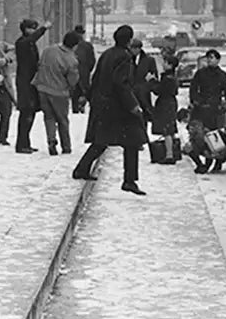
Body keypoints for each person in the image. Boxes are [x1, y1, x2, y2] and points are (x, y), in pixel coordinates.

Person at [70, 23, 148, 194]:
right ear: (128, 40)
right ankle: (129, 180)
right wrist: (133, 105)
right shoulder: (124, 57)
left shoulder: (107, 54)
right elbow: (121, 84)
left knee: (101, 140)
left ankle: (82, 169)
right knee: (132, 140)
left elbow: (96, 77)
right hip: (117, 106)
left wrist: (89, 96)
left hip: (103, 104)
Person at [34, 30, 82, 154]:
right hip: (59, 92)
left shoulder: (48, 50)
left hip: (42, 89)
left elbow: (39, 65)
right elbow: (73, 80)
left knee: (49, 117)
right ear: (75, 45)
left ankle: (51, 140)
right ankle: (66, 146)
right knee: (62, 120)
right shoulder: (71, 60)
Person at [187, 48, 226, 173]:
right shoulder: (201, 73)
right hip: (200, 109)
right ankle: (203, 162)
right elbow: (193, 88)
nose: (209, 60)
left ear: (218, 60)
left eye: (212, 58)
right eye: (208, 57)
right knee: (198, 137)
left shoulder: (222, 75)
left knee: (215, 137)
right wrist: (195, 101)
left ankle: (217, 161)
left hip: (215, 110)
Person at [13, 16, 50, 152]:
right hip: (25, 82)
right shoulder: (22, 42)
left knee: (31, 112)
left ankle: (25, 143)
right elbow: (32, 39)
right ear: (25, 29)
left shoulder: (29, 43)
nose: (33, 31)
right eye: (32, 28)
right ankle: (21, 144)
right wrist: (44, 28)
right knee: (26, 113)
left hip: (31, 81)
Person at [149, 51, 181, 163]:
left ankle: (169, 155)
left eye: (166, 62)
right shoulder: (171, 77)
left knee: (167, 130)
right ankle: (170, 153)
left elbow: (159, 90)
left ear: (170, 65)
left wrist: (152, 81)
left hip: (166, 104)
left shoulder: (168, 78)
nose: (163, 64)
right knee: (169, 129)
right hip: (170, 103)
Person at [72, 23, 96, 109]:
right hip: (84, 74)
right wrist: (87, 70)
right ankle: (82, 106)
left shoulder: (70, 45)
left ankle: (77, 108)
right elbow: (92, 61)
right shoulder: (88, 46)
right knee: (84, 92)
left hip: (73, 74)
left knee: (75, 94)